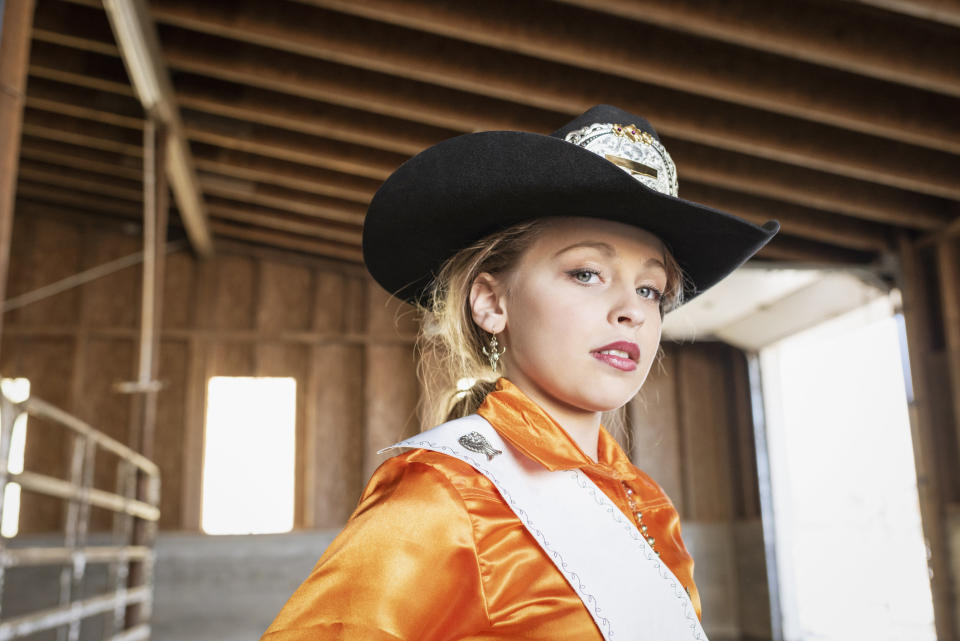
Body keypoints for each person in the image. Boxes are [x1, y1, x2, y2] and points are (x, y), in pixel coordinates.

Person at [261, 105, 779, 641]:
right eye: (586, 273)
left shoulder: (642, 500)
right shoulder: (446, 494)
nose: (633, 309)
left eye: (650, 288)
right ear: (490, 303)